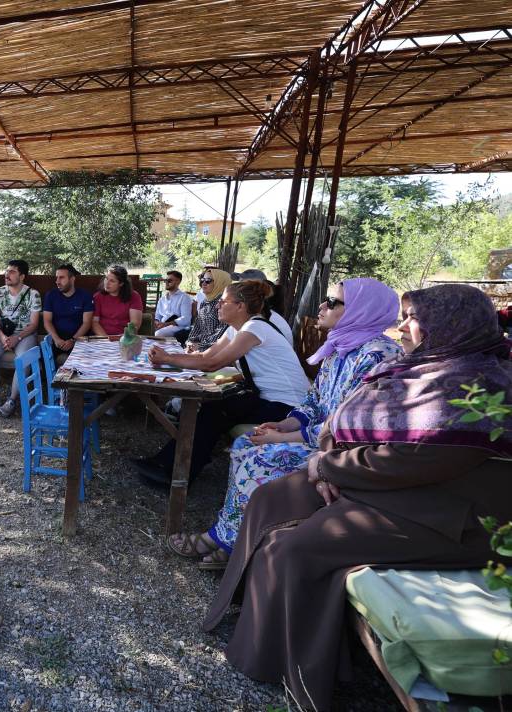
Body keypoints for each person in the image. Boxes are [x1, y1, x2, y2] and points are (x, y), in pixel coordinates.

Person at [201, 284, 512, 711]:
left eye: (412, 317)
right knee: (271, 498)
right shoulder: (425, 367)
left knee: (294, 549)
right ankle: (248, 605)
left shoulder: (480, 387)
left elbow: (418, 460)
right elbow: (349, 418)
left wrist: (329, 467)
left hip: (444, 513)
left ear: (448, 325)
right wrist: (327, 454)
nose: (401, 326)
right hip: (393, 484)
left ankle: (285, 667)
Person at [167, 278, 402, 568]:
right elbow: (315, 399)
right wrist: (286, 425)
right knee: (245, 442)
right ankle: (234, 535)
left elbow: (353, 425)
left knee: (262, 457)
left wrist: (284, 439)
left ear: (362, 310)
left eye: (333, 302)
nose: (322, 306)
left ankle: (226, 540)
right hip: (316, 435)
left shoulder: (379, 356)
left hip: (343, 451)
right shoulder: (343, 346)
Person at [136, 280, 311, 488]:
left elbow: (212, 364)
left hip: (289, 407)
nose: (218, 305)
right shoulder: (236, 329)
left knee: (215, 412)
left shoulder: (255, 327)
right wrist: (168, 356)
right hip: (267, 398)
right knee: (213, 410)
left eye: (223, 301)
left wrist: (167, 359)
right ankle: (171, 465)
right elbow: (205, 355)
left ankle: (175, 472)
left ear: (240, 306)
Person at [0, 260, 42, 417]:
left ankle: (12, 400)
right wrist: (1, 336)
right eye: (7, 271)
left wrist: (17, 338)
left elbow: (34, 324)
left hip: (25, 335)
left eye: (12, 272)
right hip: (3, 334)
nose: (7, 274)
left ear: (22, 276)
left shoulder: (33, 294)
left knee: (22, 359)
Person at [42, 264, 93, 356]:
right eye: (57, 278)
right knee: (43, 358)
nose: (57, 281)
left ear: (72, 279)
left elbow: (87, 322)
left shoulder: (85, 295)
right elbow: (47, 321)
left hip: (79, 338)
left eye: (61, 278)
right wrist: (56, 339)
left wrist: (73, 340)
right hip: (56, 337)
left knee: (82, 363)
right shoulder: (51, 295)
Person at [184, 268, 232, 351]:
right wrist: (190, 342)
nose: (203, 283)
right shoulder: (204, 302)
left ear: (220, 283)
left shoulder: (224, 304)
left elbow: (221, 333)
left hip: (215, 350)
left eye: (208, 281)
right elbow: (197, 327)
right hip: (199, 347)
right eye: (202, 280)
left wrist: (200, 346)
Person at [91, 265, 142, 337]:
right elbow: (94, 322)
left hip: (126, 337)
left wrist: (122, 338)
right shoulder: (98, 296)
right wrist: (106, 338)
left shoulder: (134, 296)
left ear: (121, 283)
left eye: (112, 281)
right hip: (102, 337)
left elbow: (135, 324)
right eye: (106, 279)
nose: (107, 283)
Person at [152, 270, 192, 337]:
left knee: (159, 334)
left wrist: (166, 324)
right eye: (166, 280)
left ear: (178, 281)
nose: (166, 283)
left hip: (179, 327)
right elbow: (157, 316)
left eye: (169, 281)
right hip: (163, 326)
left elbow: (186, 319)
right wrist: (157, 322)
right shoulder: (162, 299)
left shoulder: (184, 297)